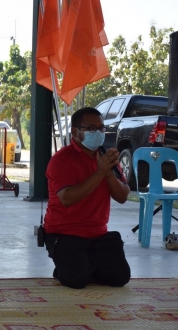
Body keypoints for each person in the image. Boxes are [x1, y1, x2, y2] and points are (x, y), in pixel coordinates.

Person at [43, 107, 131, 289]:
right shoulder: (61, 160)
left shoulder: (106, 158)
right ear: (75, 132)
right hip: (64, 233)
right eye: (91, 128)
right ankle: (72, 267)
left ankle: (84, 264)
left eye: (101, 128)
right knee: (76, 280)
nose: (98, 133)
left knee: (120, 277)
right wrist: (100, 173)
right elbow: (67, 198)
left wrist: (108, 173)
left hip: (98, 234)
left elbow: (122, 196)